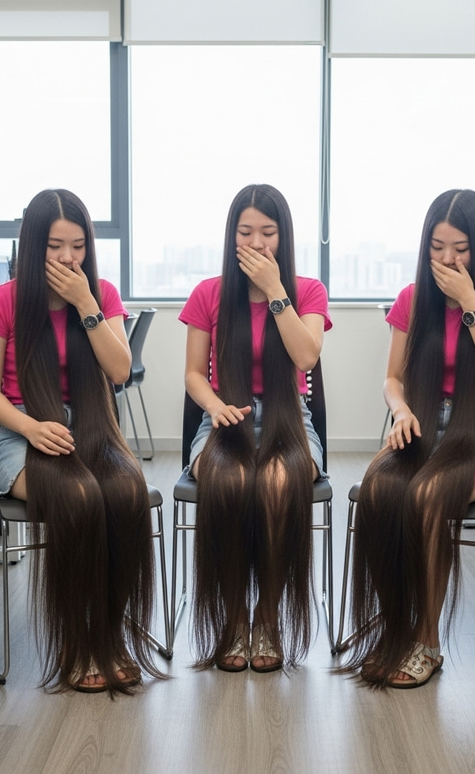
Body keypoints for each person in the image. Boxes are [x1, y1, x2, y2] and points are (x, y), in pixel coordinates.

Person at [341, 189, 475, 689]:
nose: (447, 259)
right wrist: (400, 410)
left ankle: (426, 642)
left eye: (461, 248)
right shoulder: (413, 299)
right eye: (437, 246)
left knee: (427, 496)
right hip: (425, 427)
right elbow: (392, 379)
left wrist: (471, 303)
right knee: (381, 490)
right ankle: (393, 626)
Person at [0, 188, 162, 696]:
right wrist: (31, 428)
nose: (67, 258)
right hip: (24, 433)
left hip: (93, 429)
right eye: (55, 245)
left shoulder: (101, 293)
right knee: (78, 499)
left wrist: (86, 304)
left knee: (124, 495)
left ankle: (112, 633)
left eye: (77, 245)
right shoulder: (2, 301)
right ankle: (78, 641)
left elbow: (120, 371)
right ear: (33, 245)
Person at [179, 183, 332, 673]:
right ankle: (232, 620)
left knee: (276, 485)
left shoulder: (306, 291)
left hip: (291, 420)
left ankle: (267, 618)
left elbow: (306, 356)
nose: (257, 242)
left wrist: (275, 292)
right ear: (232, 237)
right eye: (246, 232)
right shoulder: (209, 294)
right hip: (225, 418)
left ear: (283, 238)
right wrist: (215, 404)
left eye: (268, 233)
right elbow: (191, 374)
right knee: (230, 482)